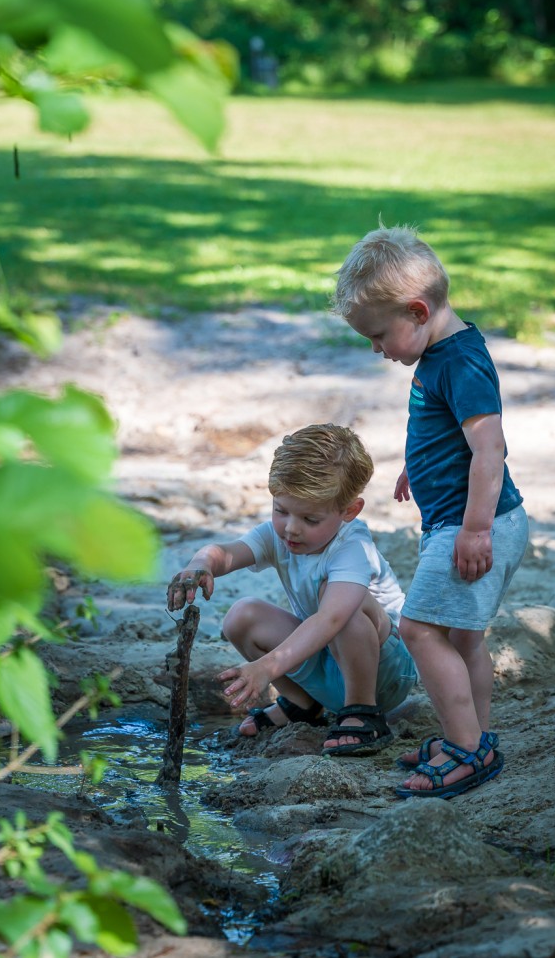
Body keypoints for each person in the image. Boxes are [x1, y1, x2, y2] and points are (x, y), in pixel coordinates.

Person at [331, 224, 529, 798]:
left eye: (378, 335)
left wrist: (474, 529)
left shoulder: (460, 362)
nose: (376, 348)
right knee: (463, 640)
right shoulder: (442, 351)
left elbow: (489, 448)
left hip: (474, 524)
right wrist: (419, 464)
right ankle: (473, 736)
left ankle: (469, 752)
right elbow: (454, 435)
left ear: (417, 312)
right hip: (467, 519)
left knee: (418, 629)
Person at [166, 423, 418, 755]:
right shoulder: (279, 535)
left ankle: (362, 713)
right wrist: (202, 564)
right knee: (242, 615)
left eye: (310, 519)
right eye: (280, 511)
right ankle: (303, 705)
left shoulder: (351, 549)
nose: (291, 529)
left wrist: (265, 668)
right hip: (328, 658)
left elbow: (330, 620)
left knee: (347, 608)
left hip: (383, 673)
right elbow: (226, 553)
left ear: (349, 511)